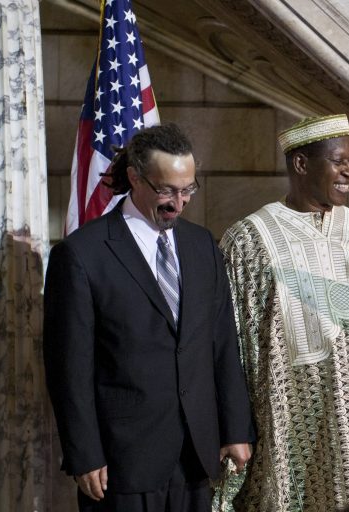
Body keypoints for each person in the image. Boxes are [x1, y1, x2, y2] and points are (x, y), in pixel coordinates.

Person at [214, 114, 349, 511]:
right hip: (284, 424)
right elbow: (229, 345)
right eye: (339, 161)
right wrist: (234, 426)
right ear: (301, 164)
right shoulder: (247, 240)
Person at [43, 124, 254, 511]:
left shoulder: (201, 244)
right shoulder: (81, 255)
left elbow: (223, 342)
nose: (179, 202)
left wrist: (235, 427)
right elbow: (68, 368)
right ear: (135, 178)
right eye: (167, 190)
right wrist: (84, 452)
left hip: (196, 453)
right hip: (122, 461)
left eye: (188, 189)